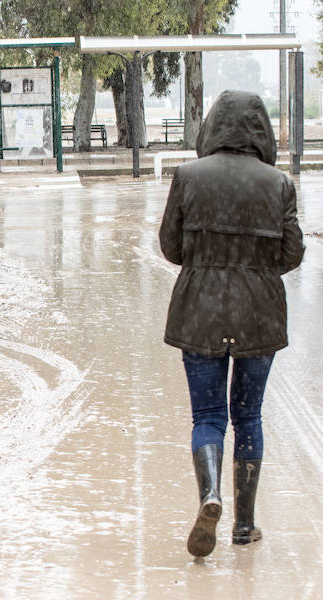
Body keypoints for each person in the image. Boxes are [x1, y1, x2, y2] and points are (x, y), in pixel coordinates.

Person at [159, 90, 304, 558]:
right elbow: (292, 253)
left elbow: (171, 247)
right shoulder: (278, 184)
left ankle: (210, 496)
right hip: (259, 315)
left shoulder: (187, 177)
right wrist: (254, 272)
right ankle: (244, 525)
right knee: (248, 416)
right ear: (260, 131)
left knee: (208, 417)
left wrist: (209, 264)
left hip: (199, 312)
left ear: (212, 127)